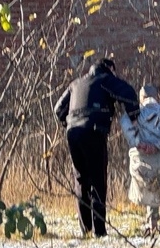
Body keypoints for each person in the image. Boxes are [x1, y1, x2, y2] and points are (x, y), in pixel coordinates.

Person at [54, 58, 139, 238]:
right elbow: (129, 92)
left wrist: (68, 123)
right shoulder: (105, 79)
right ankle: (99, 231)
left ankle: (86, 229)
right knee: (97, 180)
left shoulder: (76, 83)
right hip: (93, 132)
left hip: (73, 133)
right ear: (109, 68)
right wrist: (134, 116)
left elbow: (58, 109)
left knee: (81, 180)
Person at [120, 85, 160, 236]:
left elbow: (125, 123)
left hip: (141, 162)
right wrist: (158, 145)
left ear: (141, 99)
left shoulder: (135, 112)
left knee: (149, 184)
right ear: (157, 96)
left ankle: (151, 223)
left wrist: (139, 144)